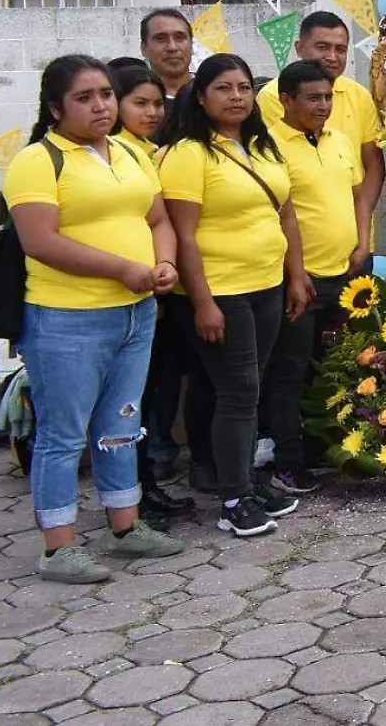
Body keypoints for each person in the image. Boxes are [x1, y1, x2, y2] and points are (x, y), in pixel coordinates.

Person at [7, 55, 186, 581]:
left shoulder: (130, 153)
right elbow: (40, 242)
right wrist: (122, 269)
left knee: (121, 425)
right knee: (63, 434)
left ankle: (126, 525)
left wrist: (165, 263)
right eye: (84, 98)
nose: (101, 106)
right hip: (67, 319)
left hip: (136, 314)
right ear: (55, 107)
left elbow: (157, 218)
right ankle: (59, 548)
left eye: (105, 94)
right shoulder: (38, 161)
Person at [159, 54, 312, 537]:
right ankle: (233, 498)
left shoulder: (262, 149)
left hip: (266, 283)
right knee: (238, 392)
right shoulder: (187, 153)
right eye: (223, 88)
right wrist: (202, 301)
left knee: (253, 387)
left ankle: (244, 480)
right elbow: (182, 236)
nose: (236, 97)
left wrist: (295, 276)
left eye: (244, 87)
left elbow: (286, 216)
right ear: (200, 97)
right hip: (219, 292)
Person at [263, 60, 362, 495]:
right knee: (291, 371)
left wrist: (361, 244)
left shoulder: (339, 140)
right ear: (286, 100)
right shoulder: (268, 148)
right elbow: (274, 217)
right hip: (299, 281)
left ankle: (326, 446)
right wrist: (295, 274)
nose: (323, 105)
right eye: (313, 98)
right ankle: (287, 460)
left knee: (337, 368)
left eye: (328, 97)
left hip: (346, 275)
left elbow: (352, 195)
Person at [108, 64, 194, 524]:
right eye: (139, 103)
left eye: (157, 103)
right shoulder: (116, 152)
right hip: (121, 293)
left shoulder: (146, 152)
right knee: (129, 401)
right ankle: (131, 497)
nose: (152, 112)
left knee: (155, 391)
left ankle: (147, 487)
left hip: (155, 293)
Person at [257, 11, 385, 270]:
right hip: (300, 254)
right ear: (299, 48)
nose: (332, 56)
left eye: (340, 49)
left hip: (356, 244)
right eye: (322, 47)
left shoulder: (358, 95)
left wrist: (360, 228)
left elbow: (373, 165)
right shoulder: (274, 96)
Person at [140, 9, 194, 100]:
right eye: (161, 39)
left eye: (179, 38)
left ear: (192, 45)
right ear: (144, 48)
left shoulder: (211, 95)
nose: (172, 47)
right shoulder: (131, 99)